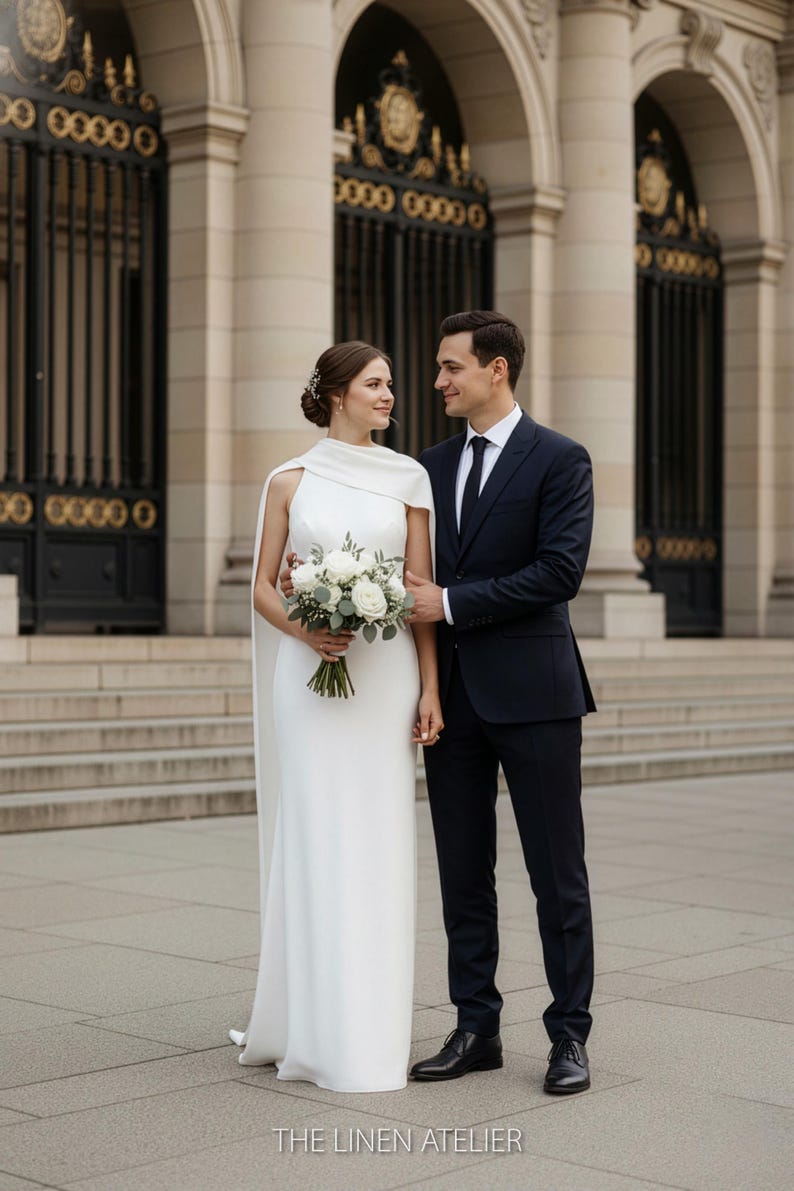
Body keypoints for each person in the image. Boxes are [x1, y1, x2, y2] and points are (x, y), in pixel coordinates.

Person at [229, 341, 441, 1093]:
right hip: (308, 678)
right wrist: (306, 629)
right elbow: (260, 586)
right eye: (375, 383)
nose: (390, 394)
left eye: (390, 383)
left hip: (385, 679)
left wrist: (431, 689)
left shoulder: (409, 478)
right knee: (317, 836)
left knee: (379, 842)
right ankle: (311, 1028)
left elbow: (419, 591)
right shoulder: (289, 480)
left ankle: (370, 1031)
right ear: (338, 393)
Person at [406, 310, 597, 1095]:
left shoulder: (560, 459)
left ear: (497, 371)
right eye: (440, 366)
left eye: (452, 367)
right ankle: (475, 1026)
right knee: (463, 872)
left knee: (558, 873)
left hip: (538, 695)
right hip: (450, 699)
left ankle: (569, 1037)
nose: (440, 380)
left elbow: (559, 573)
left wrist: (449, 603)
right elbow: (406, 571)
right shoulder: (426, 466)